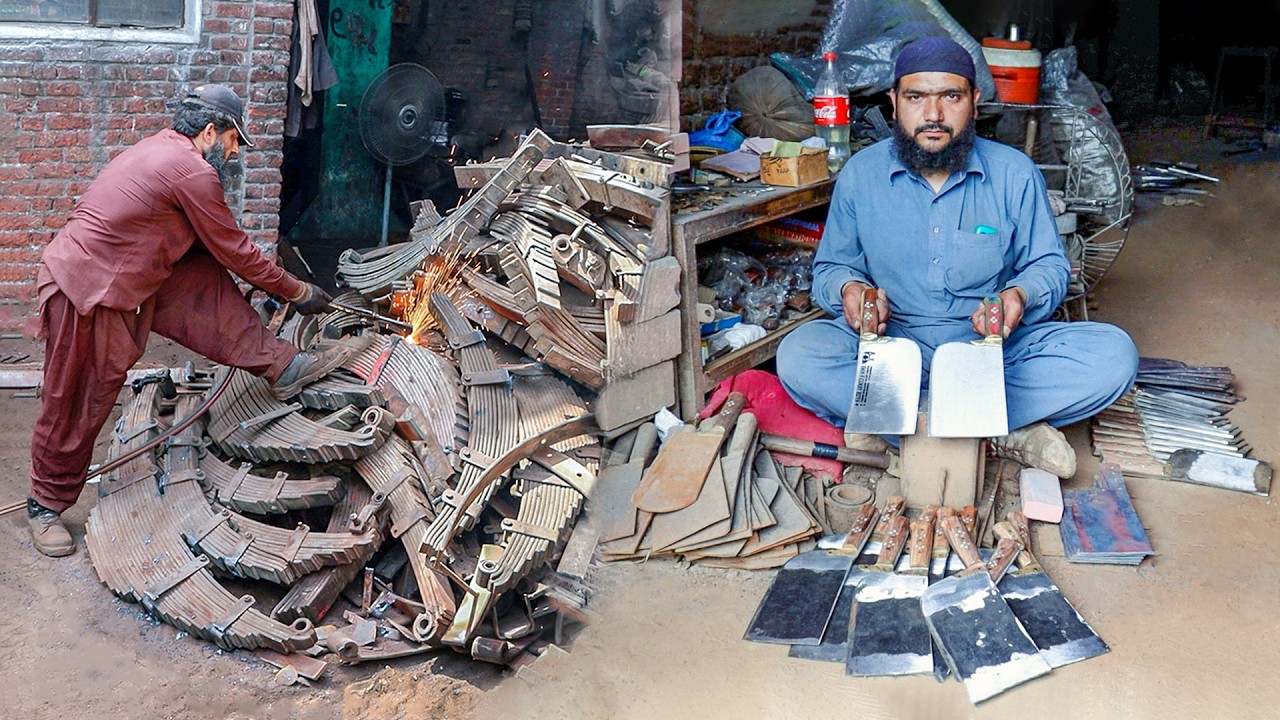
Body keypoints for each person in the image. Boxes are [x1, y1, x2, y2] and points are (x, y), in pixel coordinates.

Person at [776, 36, 1138, 478]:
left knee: (1113, 355)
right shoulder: (860, 175)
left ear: (975, 101)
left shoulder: (1014, 174)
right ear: (894, 102)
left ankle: (902, 427)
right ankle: (999, 430)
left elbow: (1049, 265)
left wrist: (1017, 298)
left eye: (951, 96)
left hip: (990, 352)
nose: (933, 115)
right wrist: (851, 291)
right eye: (916, 97)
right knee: (799, 354)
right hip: (892, 350)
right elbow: (832, 268)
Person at [24, 84, 346, 558]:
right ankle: (44, 504)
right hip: (85, 288)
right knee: (76, 398)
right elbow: (236, 250)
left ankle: (281, 363)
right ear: (209, 130)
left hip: (126, 273)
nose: (235, 153)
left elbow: (215, 262)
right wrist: (297, 291)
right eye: (234, 140)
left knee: (201, 280)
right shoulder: (191, 172)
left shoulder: (161, 150)